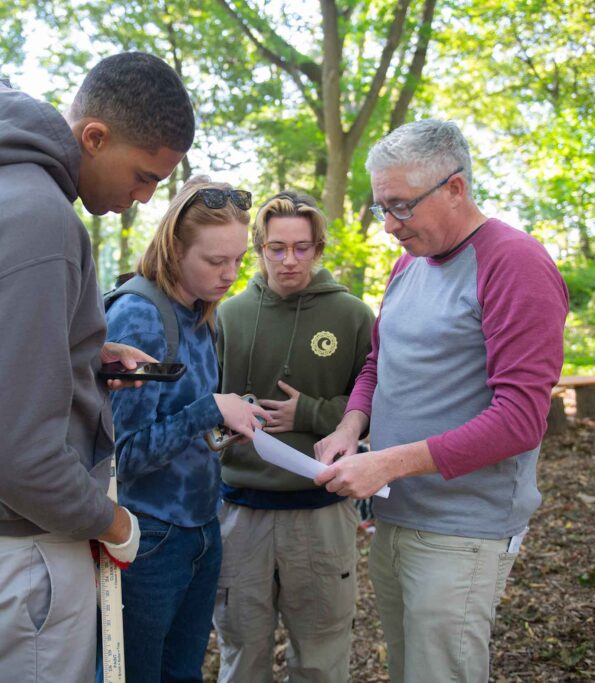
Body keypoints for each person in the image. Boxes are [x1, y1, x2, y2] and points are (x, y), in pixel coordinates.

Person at [0, 52, 195, 683]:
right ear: (95, 136)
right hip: (15, 554)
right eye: (143, 177)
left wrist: (81, 354)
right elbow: (11, 454)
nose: (142, 200)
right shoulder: (38, 218)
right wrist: (112, 521)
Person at [314, 119, 569, 683]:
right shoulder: (411, 262)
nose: (387, 226)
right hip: (398, 513)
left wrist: (389, 461)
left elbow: (522, 420)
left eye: (401, 206)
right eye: (381, 206)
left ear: (455, 188)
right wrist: (351, 427)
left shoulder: (514, 264)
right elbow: (382, 362)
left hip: (462, 530)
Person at [104, 176, 270, 682]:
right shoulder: (139, 316)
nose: (230, 274)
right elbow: (124, 457)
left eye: (239, 260)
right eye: (215, 261)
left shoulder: (200, 314)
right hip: (150, 536)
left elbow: (184, 422)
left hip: (201, 526)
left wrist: (225, 424)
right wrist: (208, 412)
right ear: (175, 248)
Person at [211, 191, 375, 682]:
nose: (289, 260)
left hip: (321, 513)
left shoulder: (352, 316)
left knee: (322, 658)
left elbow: (376, 399)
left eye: (302, 248)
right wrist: (226, 428)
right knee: (242, 655)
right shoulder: (226, 316)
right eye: (276, 248)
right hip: (240, 513)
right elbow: (201, 405)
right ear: (259, 249)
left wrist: (312, 412)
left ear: (319, 249)